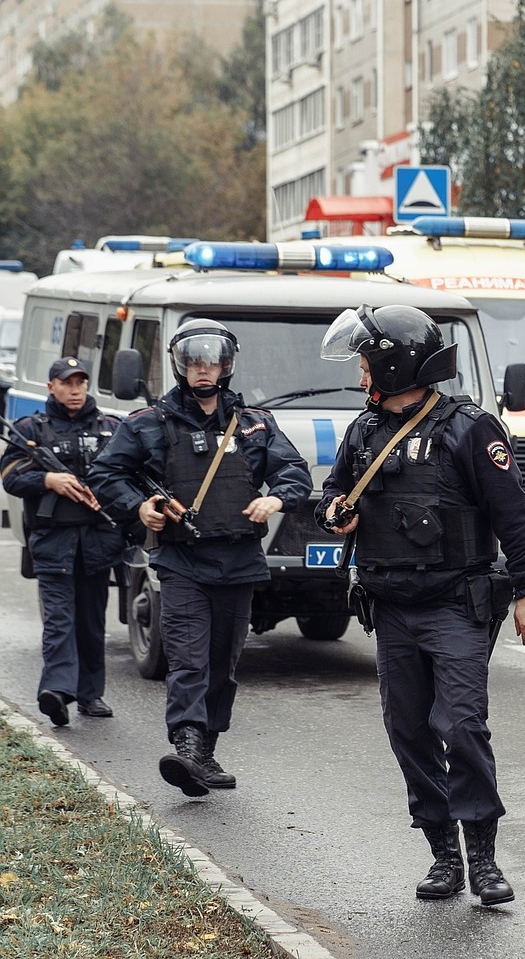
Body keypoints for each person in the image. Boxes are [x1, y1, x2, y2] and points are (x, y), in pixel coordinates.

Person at [315, 304, 525, 907]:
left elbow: (515, 516)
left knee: (462, 726)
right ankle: (443, 854)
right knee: (408, 731)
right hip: (390, 605)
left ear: (396, 364)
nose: (361, 373)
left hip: (456, 603)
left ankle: (485, 860)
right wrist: (336, 513)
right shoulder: (363, 431)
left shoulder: (471, 430)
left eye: (367, 361)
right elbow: (334, 491)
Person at [89, 321, 312, 796]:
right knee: (188, 660)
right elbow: (106, 474)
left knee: (221, 664)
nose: (204, 370)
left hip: (239, 561)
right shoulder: (148, 422)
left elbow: (294, 470)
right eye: (195, 362)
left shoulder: (255, 423)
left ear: (226, 365)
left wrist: (277, 499)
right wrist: (140, 506)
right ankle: (187, 747)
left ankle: (206, 751)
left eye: (212, 362)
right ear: (182, 366)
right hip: (183, 562)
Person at [1, 358, 127, 728]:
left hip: (98, 540)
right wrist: (47, 481)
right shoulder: (30, 430)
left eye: (81, 383)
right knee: (59, 620)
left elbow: (129, 473)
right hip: (53, 540)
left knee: (90, 620)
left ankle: (90, 694)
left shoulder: (111, 429)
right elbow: (10, 477)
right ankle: (56, 692)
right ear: (50, 386)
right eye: (66, 383)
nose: (75, 390)